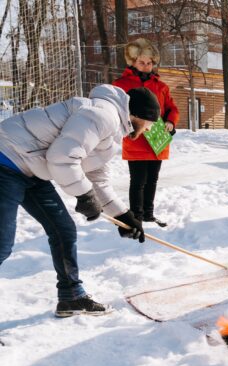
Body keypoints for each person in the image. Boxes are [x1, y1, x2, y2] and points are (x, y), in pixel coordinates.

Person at [0, 85, 158, 316]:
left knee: (63, 230)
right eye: (150, 124)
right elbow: (62, 157)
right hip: (6, 159)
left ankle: (71, 297)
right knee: (2, 244)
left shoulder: (112, 131)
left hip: (30, 168)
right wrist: (84, 196)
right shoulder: (103, 115)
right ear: (140, 116)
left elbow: (97, 179)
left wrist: (123, 216)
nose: (148, 129)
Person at [113, 38, 179, 227]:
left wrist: (170, 122)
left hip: (157, 138)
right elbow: (116, 110)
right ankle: (137, 215)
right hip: (136, 139)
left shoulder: (161, 86)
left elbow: (172, 109)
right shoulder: (120, 85)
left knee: (152, 179)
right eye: (142, 62)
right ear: (132, 62)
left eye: (149, 62)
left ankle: (148, 214)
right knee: (138, 180)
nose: (146, 66)